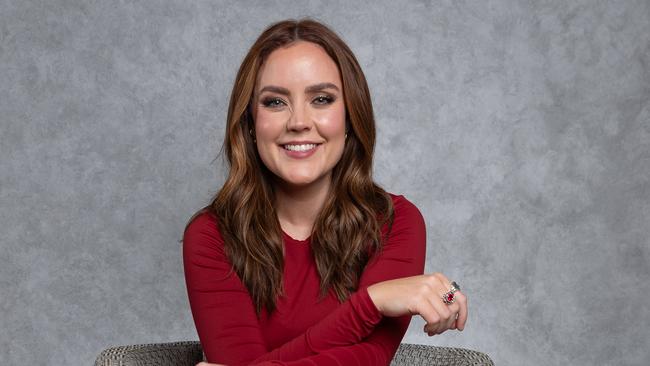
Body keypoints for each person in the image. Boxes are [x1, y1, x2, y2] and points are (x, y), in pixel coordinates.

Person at [182, 18, 468, 366]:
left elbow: (371, 358)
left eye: (321, 99)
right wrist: (373, 301)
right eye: (275, 102)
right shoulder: (211, 236)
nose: (299, 121)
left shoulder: (396, 223)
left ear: (350, 119)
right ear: (250, 124)